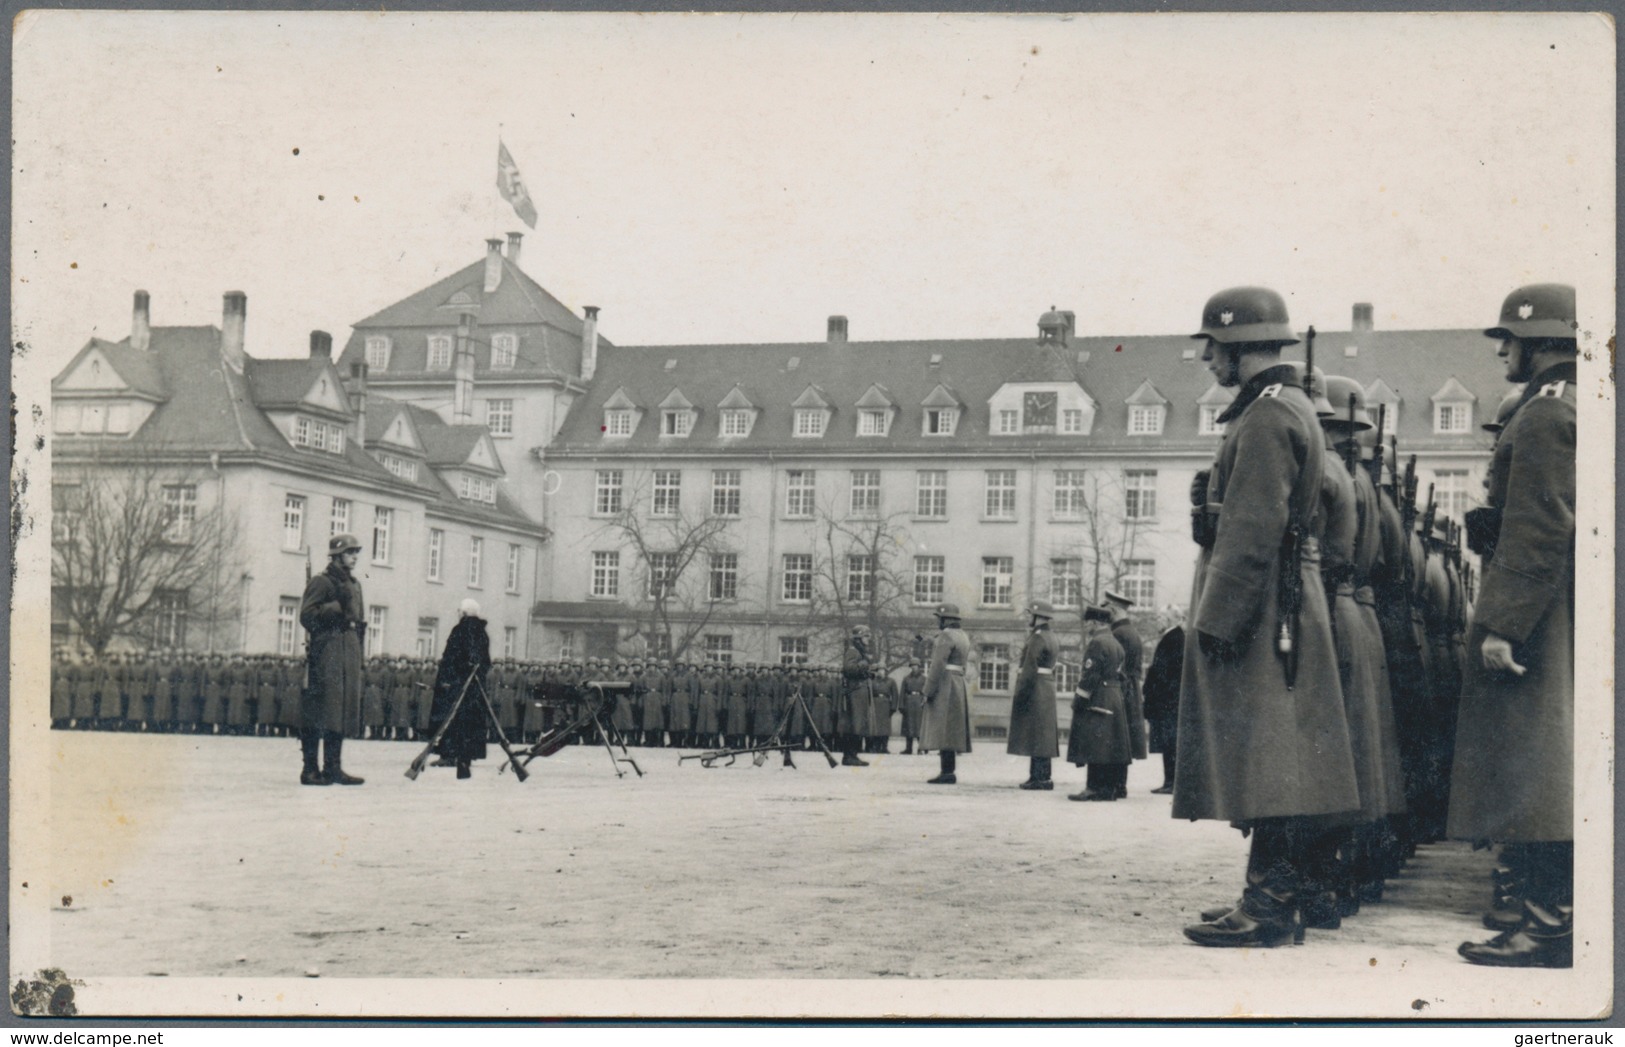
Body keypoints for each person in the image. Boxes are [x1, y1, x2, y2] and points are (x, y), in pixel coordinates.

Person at [1176, 286, 1360, 948]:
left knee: (1272, 757)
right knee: (1279, 754)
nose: (1204, 357)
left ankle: (1269, 903)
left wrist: (1216, 619)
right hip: (1283, 600)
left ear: (1235, 344)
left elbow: (1253, 528)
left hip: (1263, 607)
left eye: (1210, 345)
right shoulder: (1285, 409)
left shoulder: (1264, 417)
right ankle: (1273, 894)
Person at [1449, 284, 1577, 969]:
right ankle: (1546, 918)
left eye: (1509, 338)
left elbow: (1536, 530)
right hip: (1564, 603)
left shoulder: (1543, 414)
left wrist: (1501, 624)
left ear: (1541, 340)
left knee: (1537, 767)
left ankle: (1546, 924)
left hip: (1543, 610)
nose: (1502, 349)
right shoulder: (1578, 403)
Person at [298, 532, 368, 786]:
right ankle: (310, 769)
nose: (354, 557)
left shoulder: (355, 584)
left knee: (341, 709)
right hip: (327, 649)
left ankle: (333, 768)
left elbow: (359, 622)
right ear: (338, 556)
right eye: (350, 553)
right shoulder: (322, 582)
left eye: (356, 553)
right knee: (322, 708)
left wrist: (359, 653)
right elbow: (307, 615)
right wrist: (333, 609)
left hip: (348, 649)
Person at [1067, 604, 1129, 801]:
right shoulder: (1116, 643)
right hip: (1114, 696)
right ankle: (1108, 788)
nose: (1086, 627)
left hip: (1099, 695)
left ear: (1095, 623)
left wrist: (1079, 698)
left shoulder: (1097, 643)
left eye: (1088, 623)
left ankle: (1093, 788)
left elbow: (1090, 674)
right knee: (1108, 744)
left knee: (1095, 742)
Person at [428, 599, 492, 780]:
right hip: (475, 687)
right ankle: (466, 757)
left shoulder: (460, 630)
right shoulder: (482, 633)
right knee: (470, 723)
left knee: (452, 720)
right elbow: (484, 662)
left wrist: (448, 679)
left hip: (457, 686)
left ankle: (448, 755)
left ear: (463, 613)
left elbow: (451, 658)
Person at [1007, 599, 1060, 790]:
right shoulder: (1051, 635)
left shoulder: (1037, 638)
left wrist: (1020, 694)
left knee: (1036, 733)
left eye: (1031, 614)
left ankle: (1039, 778)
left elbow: (1029, 668)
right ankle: (1041, 776)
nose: (1028, 617)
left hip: (1035, 686)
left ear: (1038, 616)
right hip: (1046, 686)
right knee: (1042, 733)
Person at [920, 603, 972, 784]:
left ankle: (946, 772)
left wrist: (927, 690)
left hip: (945, 682)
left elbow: (937, 665)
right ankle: (948, 770)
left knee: (943, 728)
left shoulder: (945, 636)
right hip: (958, 680)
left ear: (945, 619)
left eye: (939, 618)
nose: (937, 622)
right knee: (951, 729)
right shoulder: (963, 636)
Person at [1104, 590, 1148, 798]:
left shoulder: (1118, 633)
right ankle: (1119, 784)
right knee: (1123, 737)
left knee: (1115, 736)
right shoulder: (1130, 631)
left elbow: (1114, 664)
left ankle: (1114, 784)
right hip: (1130, 688)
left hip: (1122, 688)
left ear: (1113, 610)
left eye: (1107, 609)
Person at [1141, 619, 1185, 794]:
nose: (1156, 623)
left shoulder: (1173, 639)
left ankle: (1171, 783)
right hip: (1168, 700)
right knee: (1169, 743)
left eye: (1159, 619)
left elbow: (1164, 672)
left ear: (1168, 620)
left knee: (1170, 743)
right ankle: (1169, 782)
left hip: (1168, 701)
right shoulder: (1174, 638)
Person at [839, 626, 874, 767]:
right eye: (865, 637)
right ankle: (850, 756)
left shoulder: (858, 652)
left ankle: (852, 755)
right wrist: (865, 663)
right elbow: (849, 669)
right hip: (856, 692)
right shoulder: (853, 651)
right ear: (858, 638)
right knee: (855, 724)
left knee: (857, 725)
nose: (868, 640)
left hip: (859, 692)